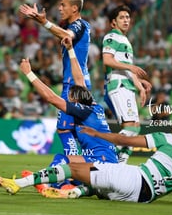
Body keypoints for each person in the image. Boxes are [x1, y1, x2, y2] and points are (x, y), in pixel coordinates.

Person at [0, 115, 172, 207]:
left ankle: (18, 184)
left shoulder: (170, 138)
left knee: (73, 168)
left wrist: (97, 135)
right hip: (143, 199)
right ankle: (72, 193)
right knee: (100, 184)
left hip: (136, 179)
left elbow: (126, 139)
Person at [18, 37, 118, 190]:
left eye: (70, 98)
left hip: (101, 162)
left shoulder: (81, 111)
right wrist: (71, 50)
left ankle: (50, 184)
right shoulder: (93, 106)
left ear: (75, 100)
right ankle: (65, 185)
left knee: (62, 159)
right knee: (71, 167)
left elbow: (51, 98)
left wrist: (29, 73)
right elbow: (80, 80)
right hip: (106, 161)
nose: (69, 101)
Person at [19, 0, 92, 156]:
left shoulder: (79, 25)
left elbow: (67, 35)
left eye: (63, 5)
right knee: (75, 128)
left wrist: (44, 22)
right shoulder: (77, 26)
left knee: (64, 128)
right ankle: (80, 169)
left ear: (74, 8)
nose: (59, 8)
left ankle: (72, 169)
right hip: (77, 82)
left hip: (75, 84)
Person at [102, 5, 151, 164]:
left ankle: (119, 166)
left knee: (135, 129)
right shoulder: (112, 37)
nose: (126, 20)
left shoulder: (125, 40)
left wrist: (140, 86)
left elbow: (127, 69)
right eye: (122, 17)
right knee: (131, 127)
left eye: (128, 17)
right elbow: (107, 60)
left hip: (127, 85)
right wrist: (130, 67)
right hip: (118, 85)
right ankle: (103, 157)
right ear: (113, 23)